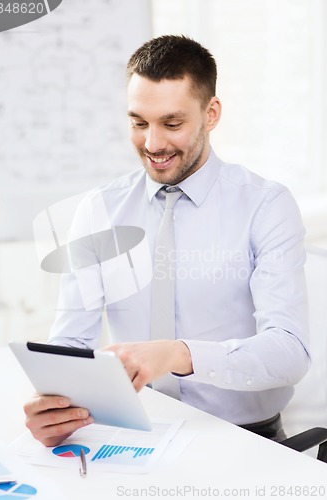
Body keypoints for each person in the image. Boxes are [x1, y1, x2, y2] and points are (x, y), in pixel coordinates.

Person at [24, 35, 310, 447]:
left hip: (244, 440)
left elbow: (289, 352)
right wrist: (53, 403)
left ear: (211, 114)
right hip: (134, 433)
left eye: (172, 124)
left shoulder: (266, 206)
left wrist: (178, 355)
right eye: (139, 123)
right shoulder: (100, 210)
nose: (153, 144)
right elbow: (71, 341)